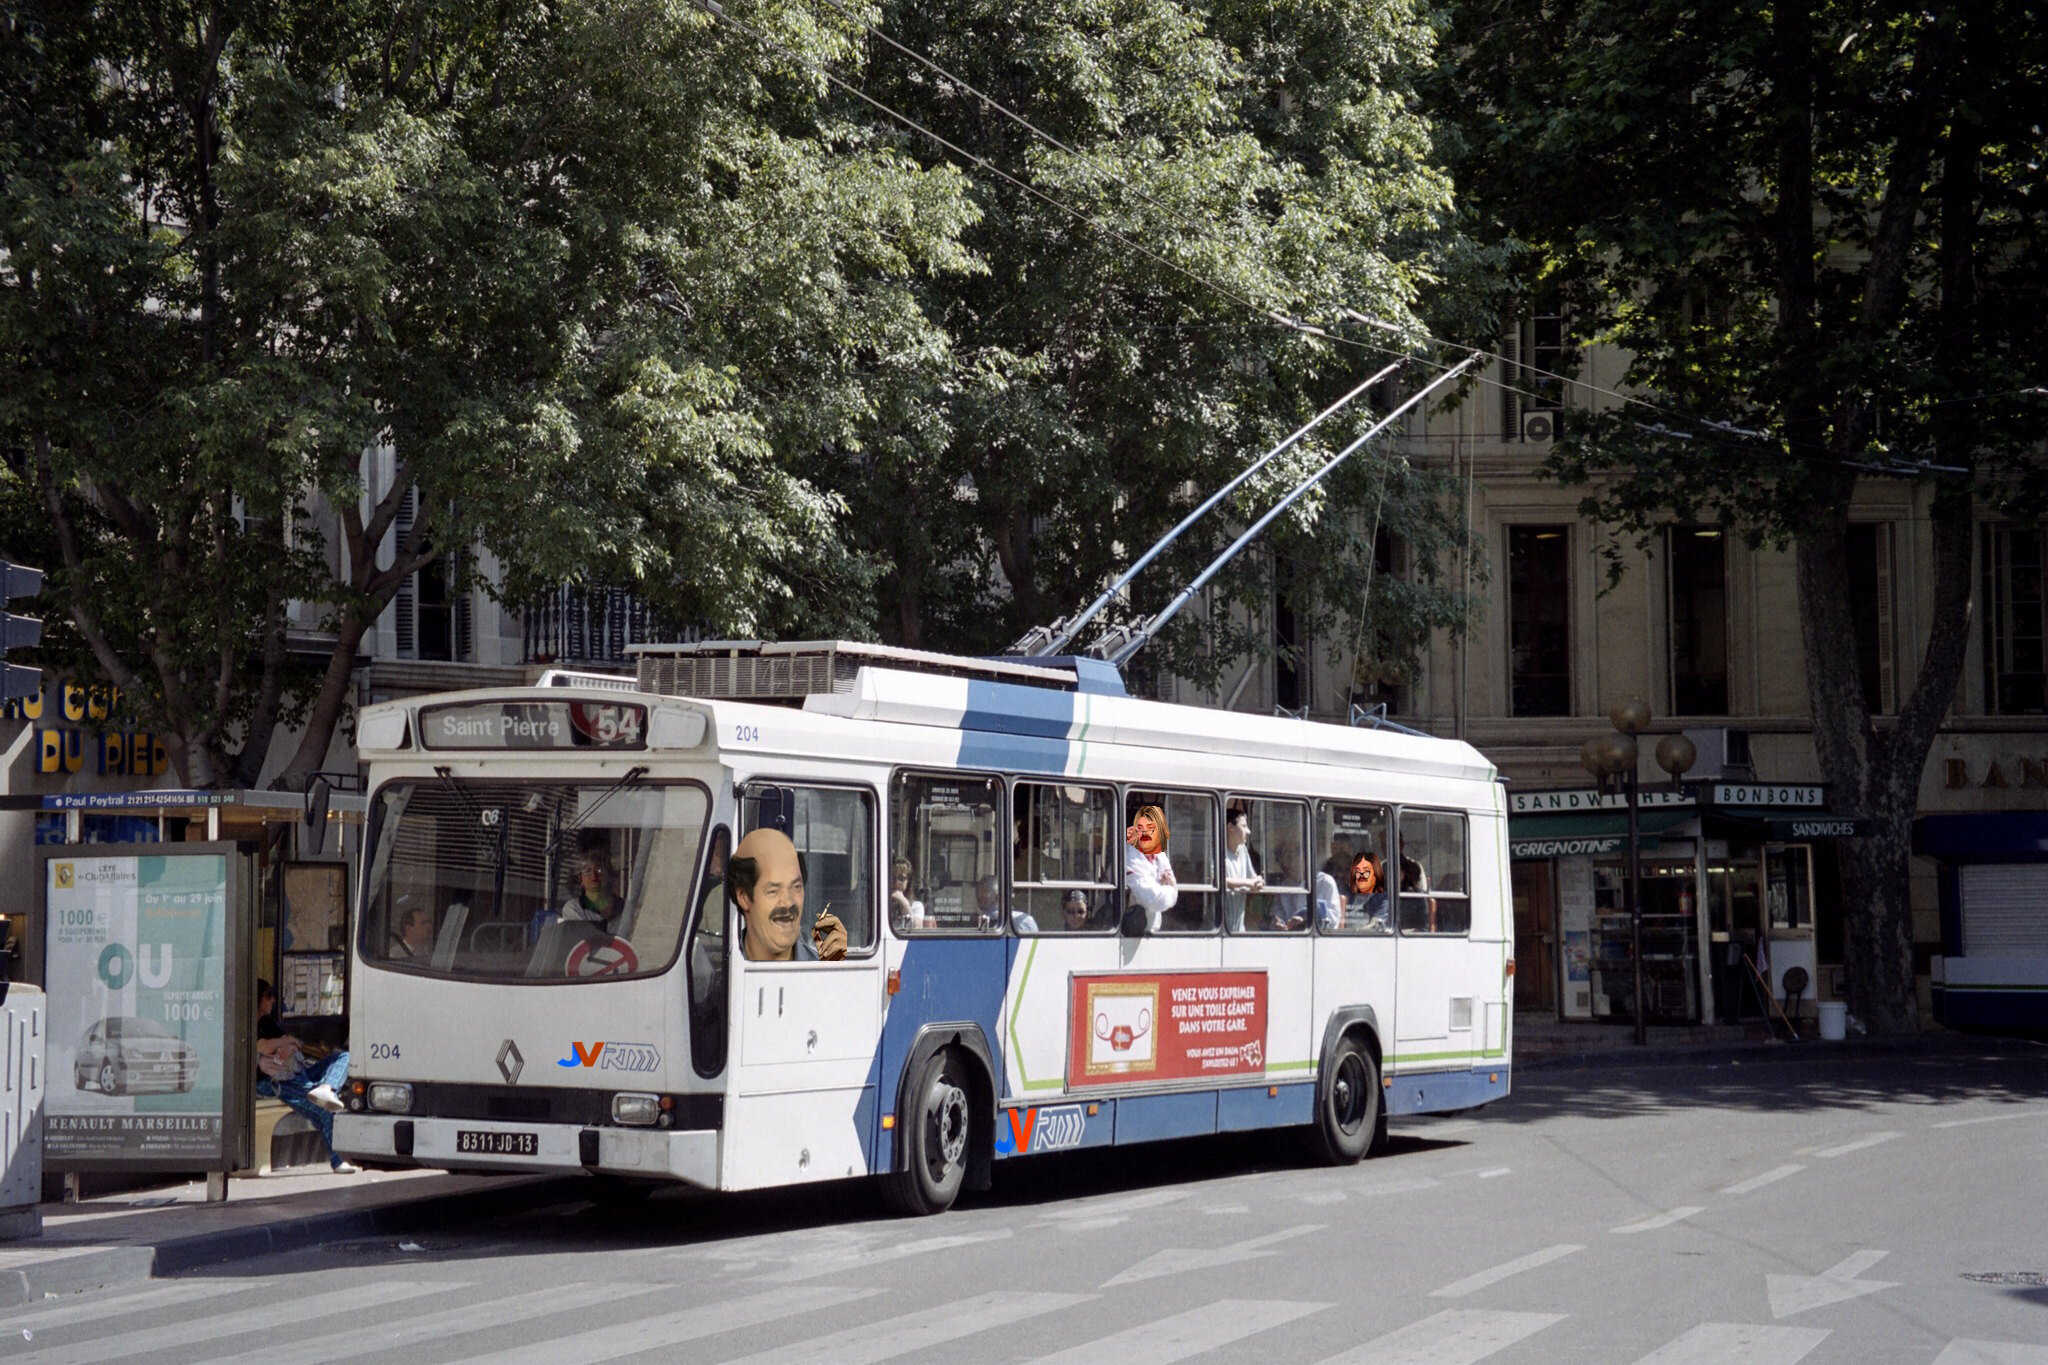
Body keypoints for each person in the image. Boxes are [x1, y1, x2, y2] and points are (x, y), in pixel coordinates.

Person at [254, 979, 357, 1174]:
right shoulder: (247, 1024)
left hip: (294, 1071)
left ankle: (327, 1087)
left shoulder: (267, 1023)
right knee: (324, 1110)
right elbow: (264, 1046)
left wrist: (287, 1045)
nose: (273, 1000)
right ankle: (337, 1160)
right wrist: (282, 1043)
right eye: (269, 996)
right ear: (257, 999)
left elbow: (295, 1044)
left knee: (344, 1057)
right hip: (275, 1081)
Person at [730, 828, 848, 961]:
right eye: (773, 891)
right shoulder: (724, 970)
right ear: (743, 896)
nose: (788, 903)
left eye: (796, 887)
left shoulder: (821, 970)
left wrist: (837, 974)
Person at [1123, 804, 1177, 932]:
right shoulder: (1129, 856)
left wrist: (1168, 888)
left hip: (1152, 929)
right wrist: (1172, 889)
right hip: (1132, 932)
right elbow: (1152, 899)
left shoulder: (1159, 855)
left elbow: (1170, 881)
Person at [560, 831, 625, 934]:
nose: (594, 876)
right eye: (587, 871)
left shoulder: (625, 908)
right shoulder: (574, 909)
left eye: (599, 870)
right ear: (580, 878)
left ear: (608, 874)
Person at [1221, 804, 1264, 933]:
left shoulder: (1243, 850)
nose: (1248, 831)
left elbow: (1252, 877)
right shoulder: (1219, 850)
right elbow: (1218, 879)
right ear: (1230, 827)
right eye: (1244, 826)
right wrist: (1247, 883)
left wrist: (1258, 881)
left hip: (1239, 926)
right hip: (1219, 925)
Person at [1348, 852, 1390, 929]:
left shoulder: (1382, 898)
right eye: (1358, 873)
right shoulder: (1349, 894)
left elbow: (1375, 923)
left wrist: (1357, 933)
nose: (1361, 877)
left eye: (1366, 873)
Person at [889, 857, 926, 933]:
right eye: (892, 877)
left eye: (901, 878)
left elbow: (917, 928)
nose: (896, 882)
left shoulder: (916, 906)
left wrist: (903, 902)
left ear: (908, 881)